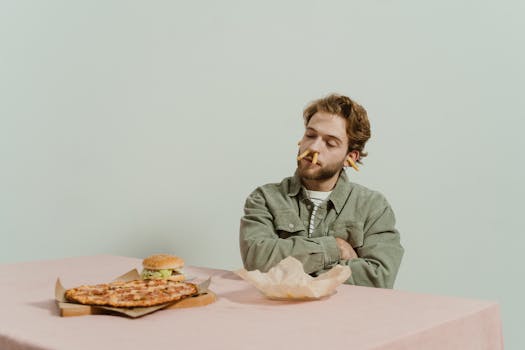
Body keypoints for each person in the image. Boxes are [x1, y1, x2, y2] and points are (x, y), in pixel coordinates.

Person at [239, 93, 404, 288]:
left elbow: (378, 278)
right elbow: (257, 261)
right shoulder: (265, 198)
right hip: (279, 315)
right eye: (310, 135)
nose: (314, 147)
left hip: (345, 316)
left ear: (350, 157)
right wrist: (335, 248)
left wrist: (292, 270)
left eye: (330, 143)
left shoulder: (373, 207)